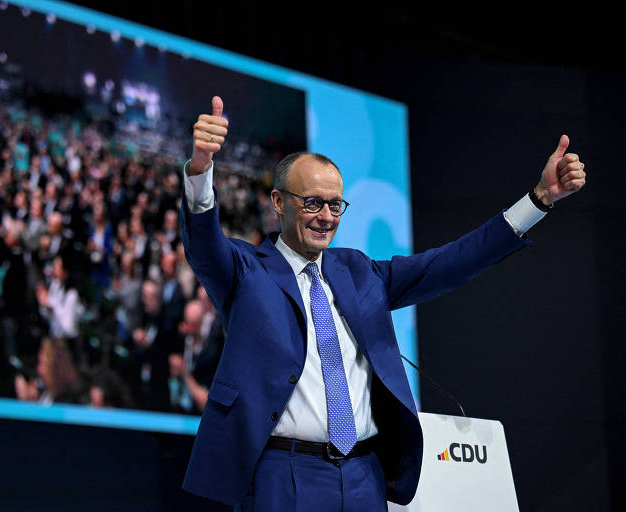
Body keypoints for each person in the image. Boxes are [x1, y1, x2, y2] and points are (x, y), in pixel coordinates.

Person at [179, 96, 586, 510]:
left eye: (335, 204)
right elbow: (205, 245)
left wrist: (538, 200)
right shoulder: (247, 270)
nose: (326, 216)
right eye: (312, 202)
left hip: (364, 476)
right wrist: (200, 169)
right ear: (280, 202)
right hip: (283, 475)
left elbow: (450, 263)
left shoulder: (358, 271)